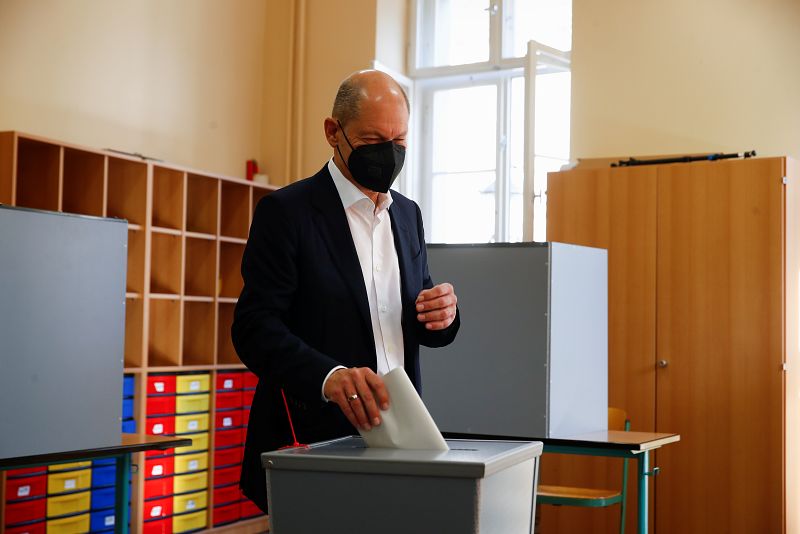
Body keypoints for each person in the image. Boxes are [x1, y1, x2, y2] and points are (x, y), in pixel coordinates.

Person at [232, 69, 460, 513]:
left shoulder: (407, 216)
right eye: (374, 140)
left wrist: (443, 315)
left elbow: (417, 318)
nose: (388, 155)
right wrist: (329, 376)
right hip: (314, 436)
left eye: (400, 142)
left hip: (401, 432)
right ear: (333, 133)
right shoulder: (287, 213)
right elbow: (254, 328)